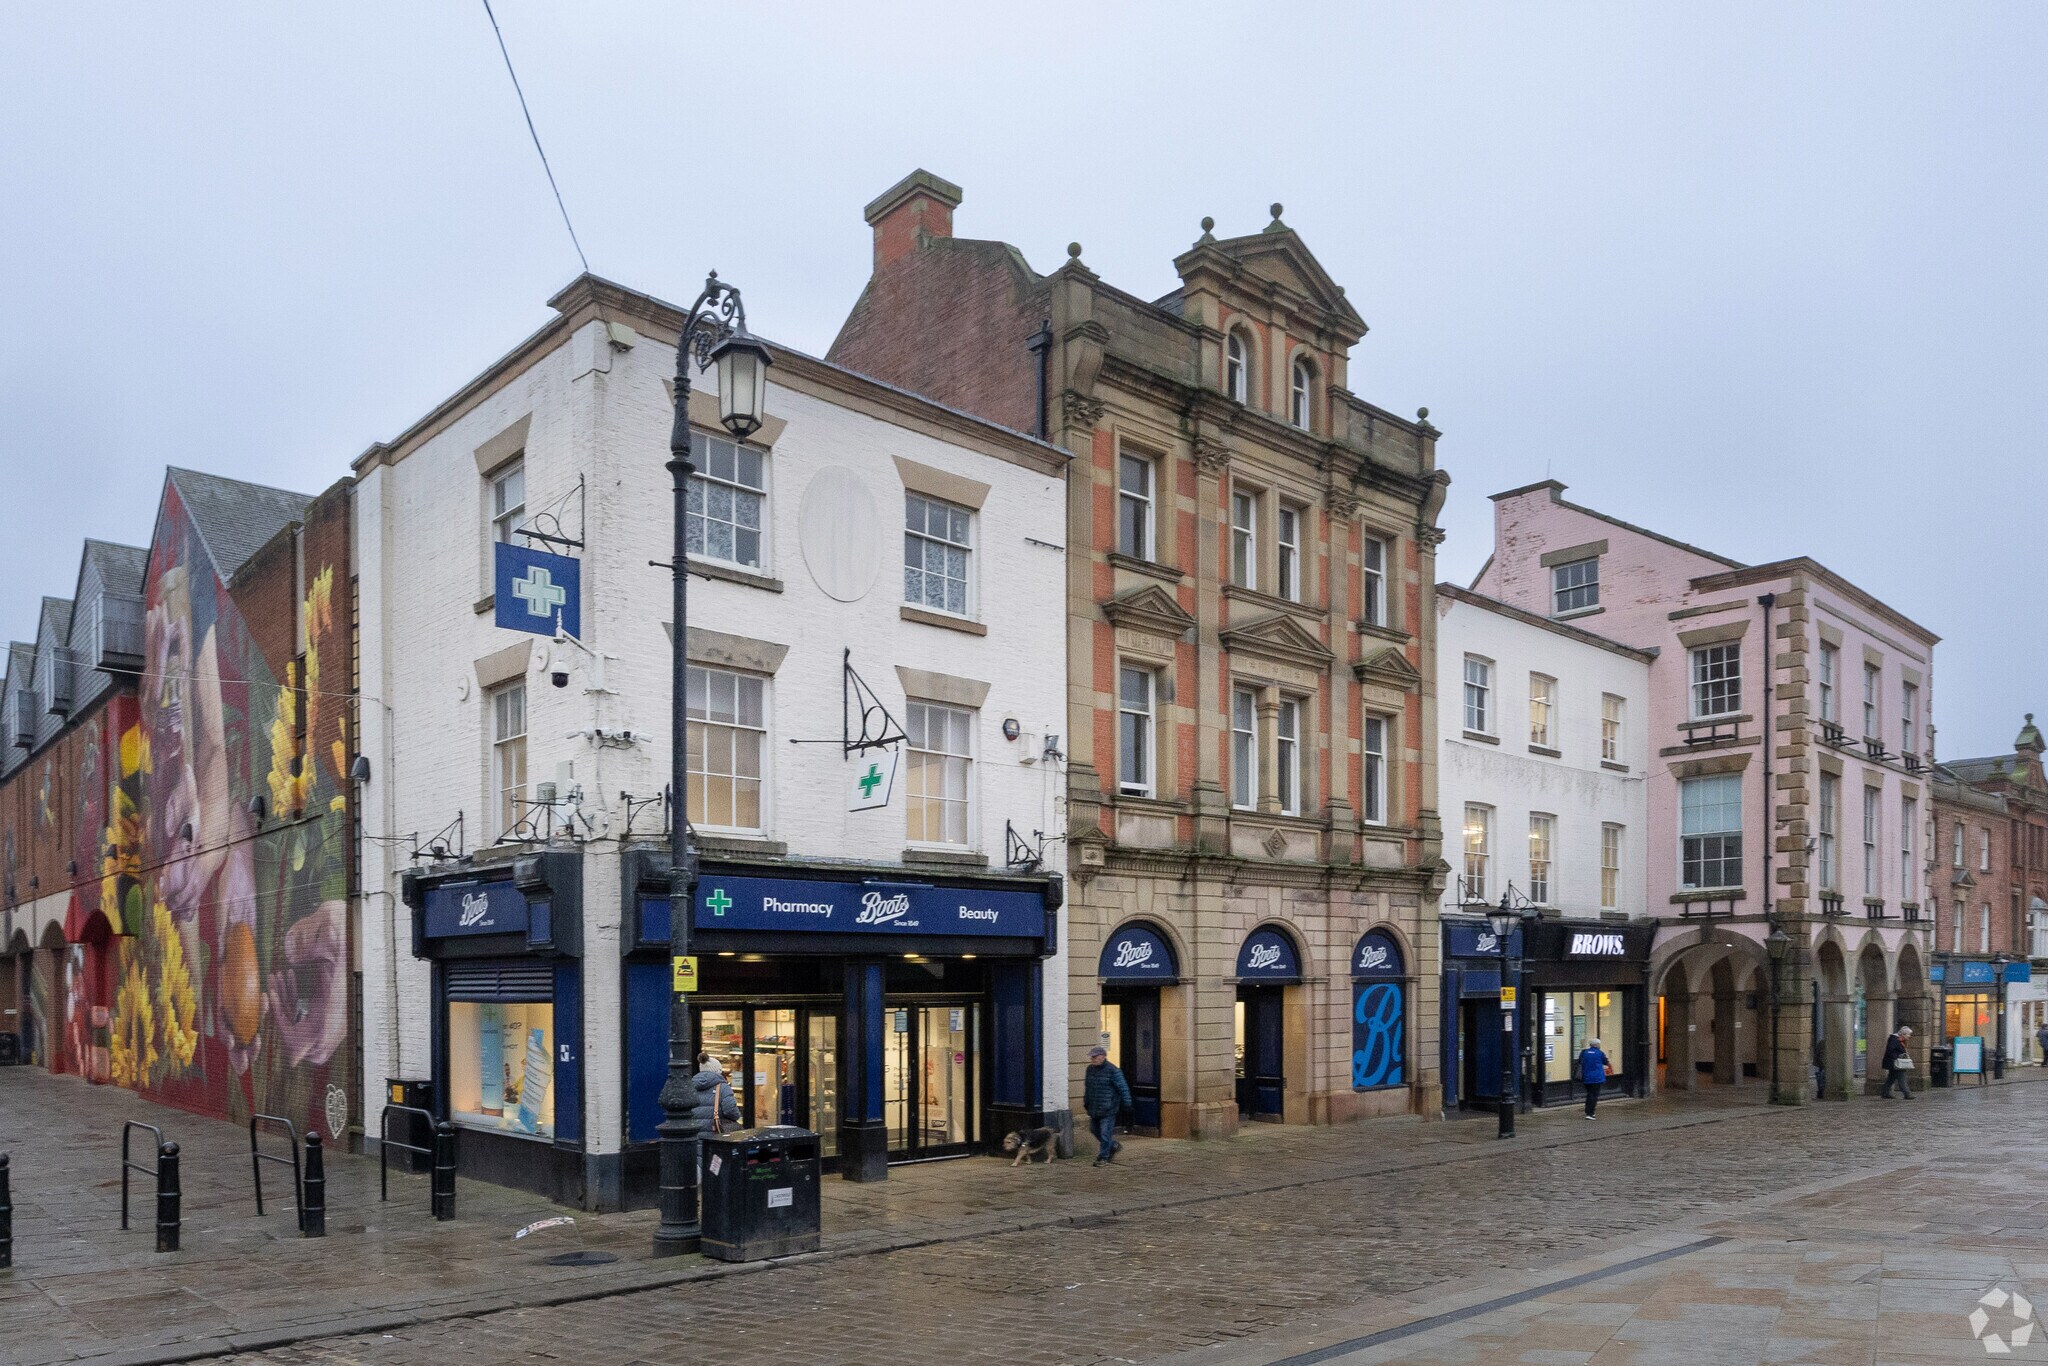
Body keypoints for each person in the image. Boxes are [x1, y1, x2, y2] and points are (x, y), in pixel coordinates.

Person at [1083, 1045, 1134, 1166]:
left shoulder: (1113, 1070)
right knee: (1094, 1130)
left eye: (1095, 1057)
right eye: (1092, 1057)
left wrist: (1127, 1104)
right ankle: (1113, 1146)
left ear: (1103, 1057)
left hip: (1108, 1107)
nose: (1093, 1059)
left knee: (1105, 1133)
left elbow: (1123, 1087)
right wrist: (1086, 1101)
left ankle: (1103, 1157)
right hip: (1094, 1106)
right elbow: (1088, 1087)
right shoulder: (1089, 1069)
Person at [690, 1051, 742, 1133]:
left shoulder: (690, 1086)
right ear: (718, 1071)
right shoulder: (723, 1088)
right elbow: (730, 1110)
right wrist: (737, 1116)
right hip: (715, 1135)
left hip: (694, 1133)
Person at [1577, 1038, 1611, 1119]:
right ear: (1597, 1045)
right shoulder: (1600, 1053)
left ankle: (1588, 1111)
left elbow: (1580, 1062)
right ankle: (1590, 1113)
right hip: (1597, 1078)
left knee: (1589, 1094)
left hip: (1586, 1077)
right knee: (1594, 1095)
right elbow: (1606, 1062)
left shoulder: (1584, 1052)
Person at [1879, 1025, 1915, 1099]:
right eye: (1908, 1034)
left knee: (1891, 1078)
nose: (1909, 1036)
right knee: (1901, 1078)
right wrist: (1899, 1056)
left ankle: (1885, 1093)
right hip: (1895, 1063)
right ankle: (1907, 1094)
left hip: (1895, 1062)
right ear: (1903, 1034)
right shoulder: (1894, 1040)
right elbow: (1890, 1051)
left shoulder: (1899, 1040)